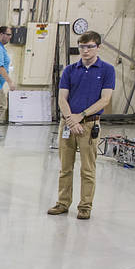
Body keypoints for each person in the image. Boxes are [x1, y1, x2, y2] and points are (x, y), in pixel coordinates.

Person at [47, 30, 115, 220]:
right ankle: (62, 202)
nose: (85, 50)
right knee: (65, 168)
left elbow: (105, 100)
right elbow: (62, 98)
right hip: (68, 125)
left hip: (89, 125)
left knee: (87, 169)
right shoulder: (70, 70)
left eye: (90, 46)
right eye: (82, 46)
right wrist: (70, 119)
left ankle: (85, 206)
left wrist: (82, 116)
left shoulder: (107, 70)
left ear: (98, 47)